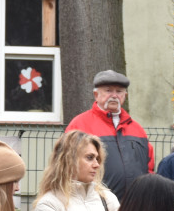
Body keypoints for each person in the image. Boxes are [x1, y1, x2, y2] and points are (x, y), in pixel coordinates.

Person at [64, 69, 154, 198]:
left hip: (134, 206)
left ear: (125, 96)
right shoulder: (79, 125)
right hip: (93, 204)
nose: (114, 95)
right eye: (108, 90)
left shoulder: (137, 129)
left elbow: (149, 168)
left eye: (119, 91)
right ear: (96, 95)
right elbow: (67, 165)